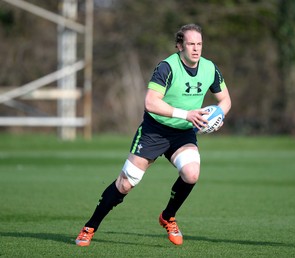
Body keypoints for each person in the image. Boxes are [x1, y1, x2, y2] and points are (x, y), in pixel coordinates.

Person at [75, 23, 231, 246]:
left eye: (199, 44)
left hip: (182, 134)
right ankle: (90, 226)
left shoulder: (209, 68)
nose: (196, 49)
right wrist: (186, 114)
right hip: (154, 131)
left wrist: (217, 117)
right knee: (126, 183)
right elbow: (150, 103)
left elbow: (225, 100)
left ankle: (168, 217)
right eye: (190, 44)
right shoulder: (167, 67)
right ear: (179, 46)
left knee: (191, 174)